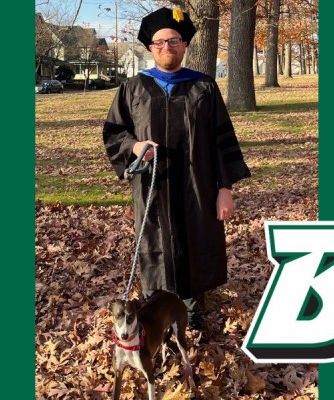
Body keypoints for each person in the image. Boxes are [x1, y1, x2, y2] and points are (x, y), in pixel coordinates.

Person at [102, 7, 251, 330]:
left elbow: (222, 138)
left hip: (198, 184)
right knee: (156, 244)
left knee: (198, 240)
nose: (166, 47)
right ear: (150, 48)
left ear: (184, 45)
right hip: (153, 186)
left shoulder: (204, 87)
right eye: (159, 42)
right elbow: (114, 133)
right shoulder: (133, 88)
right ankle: (159, 308)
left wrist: (225, 189)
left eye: (173, 40)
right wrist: (135, 147)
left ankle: (193, 307)